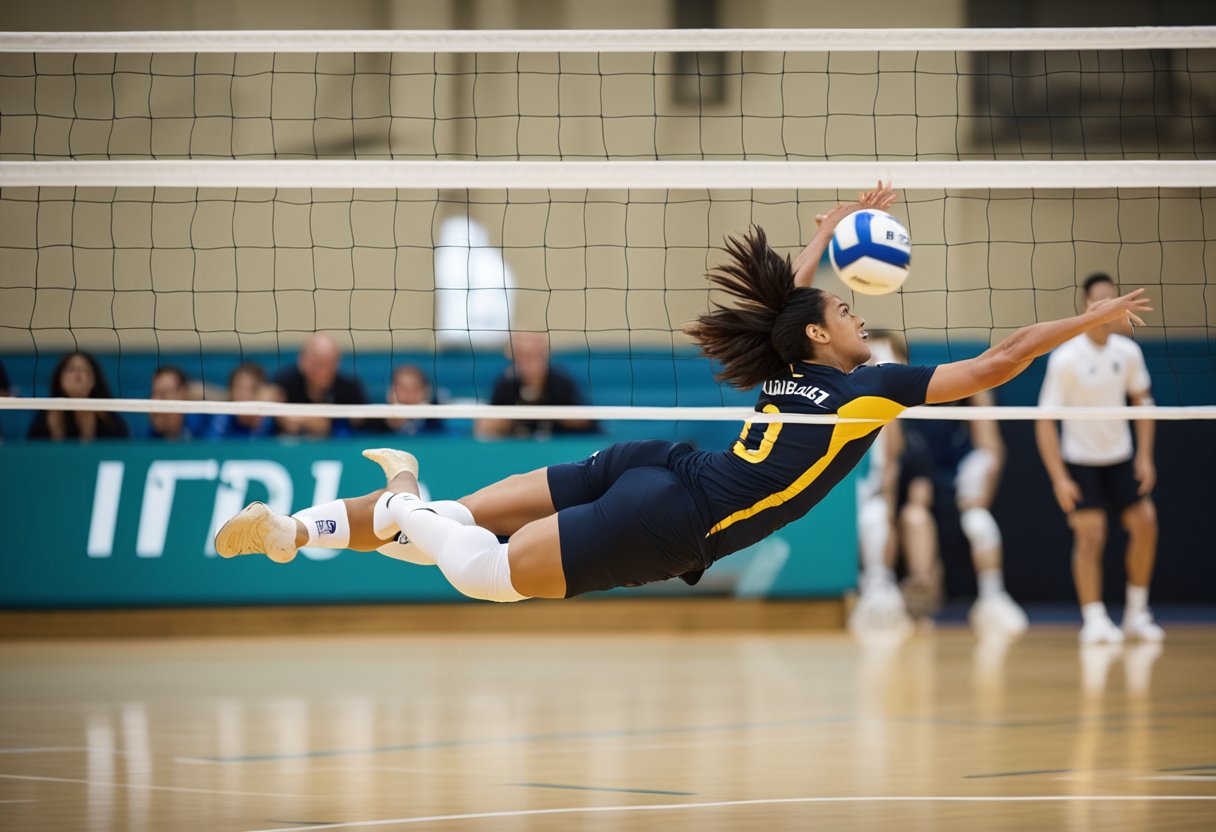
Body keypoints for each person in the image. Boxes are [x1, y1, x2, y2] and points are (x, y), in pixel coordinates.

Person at [214, 182, 1152, 609]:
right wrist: (1088, 318)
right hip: (675, 517)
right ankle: (400, 497)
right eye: (844, 309)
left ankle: (300, 533)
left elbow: (793, 311)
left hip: (656, 466)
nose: (861, 318)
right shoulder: (870, 392)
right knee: (480, 572)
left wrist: (823, 240)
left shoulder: (791, 370)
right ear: (825, 334)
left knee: (459, 526)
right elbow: (995, 364)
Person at [1035, 272, 1162, 645]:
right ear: (1087, 307)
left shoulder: (1129, 352)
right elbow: (1045, 423)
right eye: (1099, 302)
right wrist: (1059, 477)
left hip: (1121, 457)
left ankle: (1137, 614)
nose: (1108, 308)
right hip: (1081, 461)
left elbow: (1143, 403)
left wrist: (1146, 457)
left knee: (1146, 524)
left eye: (1113, 300)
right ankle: (1093, 619)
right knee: (1091, 536)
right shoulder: (1066, 357)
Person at [898, 390, 1028, 636]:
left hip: (960, 487)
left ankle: (993, 596)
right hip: (922, 476)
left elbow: (991, 452)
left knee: (978, 521)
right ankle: (921, 594)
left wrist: (980, 391)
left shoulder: (970, 424)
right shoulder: (912, 417)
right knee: (915, 516)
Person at [475, 332, 597, 438]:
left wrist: (550, 412)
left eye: (534, 354)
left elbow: (586, 420)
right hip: (518, 450)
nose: (528, 361)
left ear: (544, 354)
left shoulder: (561, 381)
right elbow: (485, 425)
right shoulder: (506, 383)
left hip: (559, 450)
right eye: (522, 355)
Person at [273, 333, 368, 438]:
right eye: (317, 364)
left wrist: (330, 426)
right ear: (302, 360)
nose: (323, 372)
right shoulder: (283, 382)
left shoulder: (350, 389)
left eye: (329, 364)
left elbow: (366, 425)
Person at [27, 351, 129, 441]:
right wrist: (55, 432)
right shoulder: (44, 417)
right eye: (71, 369)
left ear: (93, 380)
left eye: (84, 370)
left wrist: (88, 432)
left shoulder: (110, 419)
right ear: (60, 379)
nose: (78, 372)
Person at [365, 364, 445, 437]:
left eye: (415, 388)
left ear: (426, 391)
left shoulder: (435, 418)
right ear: (391, 391)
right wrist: (390, 424)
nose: (409, 394)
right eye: (403, 388)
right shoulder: (378, 420)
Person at [205, 363, 276, 440]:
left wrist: (257, 427)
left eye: (252, 389)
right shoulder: (222, 418)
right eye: (239, 388)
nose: (244, 394)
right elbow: (211, 446)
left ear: (262, 392)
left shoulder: (271, 420)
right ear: (231, 391)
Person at [147, 365, 205, 441]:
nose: (155, 401)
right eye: (153, 393)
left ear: (183, 394)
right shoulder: (149, 436)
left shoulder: (203, 427)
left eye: (163, 395)